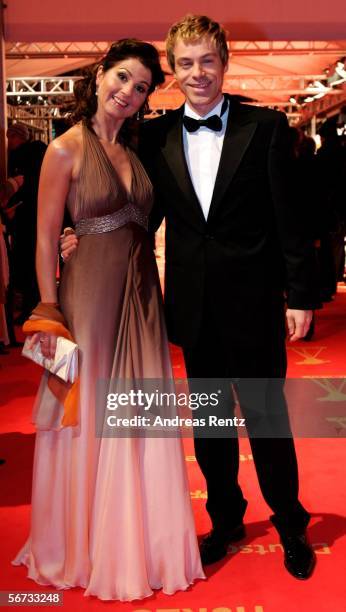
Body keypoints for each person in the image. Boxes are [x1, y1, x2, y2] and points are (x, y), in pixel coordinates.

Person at [61, 16, 320, 580]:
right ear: (173, 73)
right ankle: (226, 518)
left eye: (207, 61)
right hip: (194, 304)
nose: (197, 72)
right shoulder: (153, 136)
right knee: (210, 426)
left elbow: (290, 219)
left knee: (268, 418)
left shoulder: (266, 127)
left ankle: (291, 520)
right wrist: (84, 232)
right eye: (185, 63)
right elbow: (138, 209)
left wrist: (300, 295)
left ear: (224, 63)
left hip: (254, 302)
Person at [13, 39, 204, 601]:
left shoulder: (142, 153)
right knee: (90, 410)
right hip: (87, 300)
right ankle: (83, 543)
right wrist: (50, 312)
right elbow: (46, 237)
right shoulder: (64, 150)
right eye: (122, 78)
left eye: (141, 87)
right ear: (99, 75)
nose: (128, 93)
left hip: (141, 300)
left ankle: (139, 544)